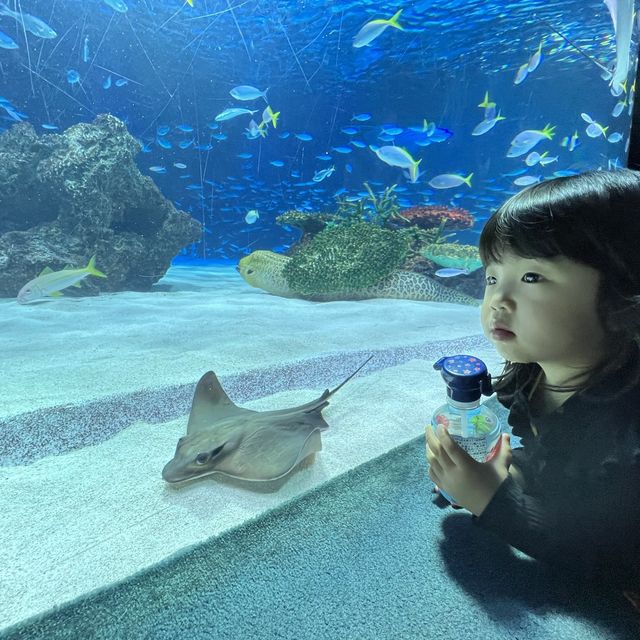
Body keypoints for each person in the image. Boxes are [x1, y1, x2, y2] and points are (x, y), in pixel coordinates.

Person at [425, 169, 640, 614]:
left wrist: (493, 498)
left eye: (531, 278)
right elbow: (568, 469)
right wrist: (512, 472)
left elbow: (613, 557)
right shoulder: (533, 376)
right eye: (491, 278)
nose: (497, 301)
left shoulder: (630, 430)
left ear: (625, 293)